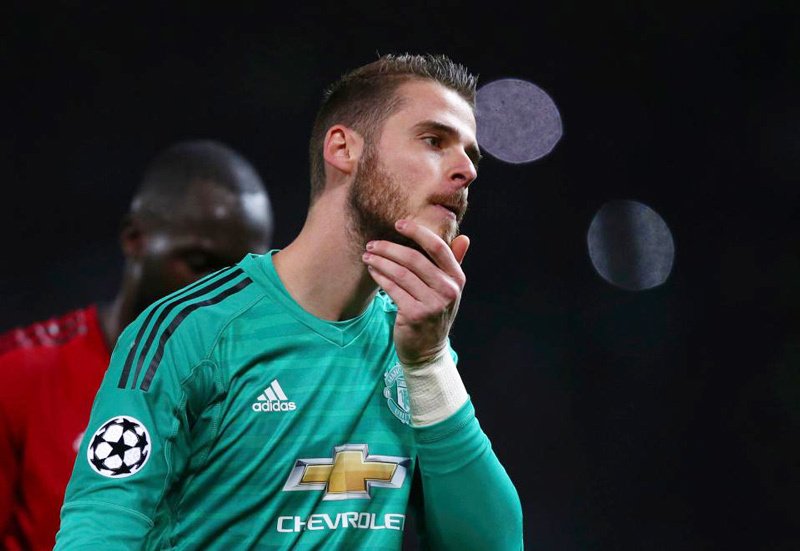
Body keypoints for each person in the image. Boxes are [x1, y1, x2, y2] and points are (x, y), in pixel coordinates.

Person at [55, 54, 523, 550]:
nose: (466, 170)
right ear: (343, 149)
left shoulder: (416, 346)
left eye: (471, 156)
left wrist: (430, 363)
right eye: (434, 140)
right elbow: (100, 528)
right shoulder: (188, 331)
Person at [0, 139, 274, 551]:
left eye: (240, 275)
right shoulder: (19, 375)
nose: (218, 295)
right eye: (199, 264)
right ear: (134, 239)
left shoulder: (264, 392)